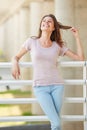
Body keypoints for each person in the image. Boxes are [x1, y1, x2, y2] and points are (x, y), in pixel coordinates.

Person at [12, 14, 84, 130]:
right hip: (40, 88)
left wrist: (76, 37)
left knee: (55, 122)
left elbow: (80, 58)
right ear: (41, 25)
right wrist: (15, 63)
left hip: (57, 86)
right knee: (56, 123)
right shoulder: (32, 41)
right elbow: (16, 56)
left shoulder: (57, 45)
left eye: (49, 21)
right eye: (44, 20)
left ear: (54, 28)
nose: (46, 22)